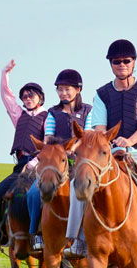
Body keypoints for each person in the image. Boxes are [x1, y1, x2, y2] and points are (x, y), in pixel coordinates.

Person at [65, 39, 137, 263]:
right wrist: (112, 146)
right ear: (111, 64)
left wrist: (130, 141)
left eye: (126, 61)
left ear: (134, 62)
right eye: (117, 62)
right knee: (79, 182)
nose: (122, 64)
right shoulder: (102, 95)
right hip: (109, 152)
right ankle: (76, 240)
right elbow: (99, 129)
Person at [27, 69, 92, 252]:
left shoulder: (88, 110)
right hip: (55, 161)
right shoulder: (53, 113)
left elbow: (85, 136)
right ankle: (37, 234)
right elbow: (48, 136)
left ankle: (87, 236)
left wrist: (72, 148)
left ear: (78, 89)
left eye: (67, 89)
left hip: (78, 161)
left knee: (90, 194)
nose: (63, 93)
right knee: (33, 193)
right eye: (60, 90)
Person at [0, 60, 47, 248]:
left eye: (31, 96)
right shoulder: (19, 115)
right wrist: (5, 73)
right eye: (25, 96)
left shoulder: (48, 117)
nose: (27, 99)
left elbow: (49, 146)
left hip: (40, 166)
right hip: (20, 165)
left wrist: (35, 162)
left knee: (30, 197)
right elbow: (7, 96)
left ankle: (40, 235)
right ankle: (0, 233)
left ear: (40, 98)